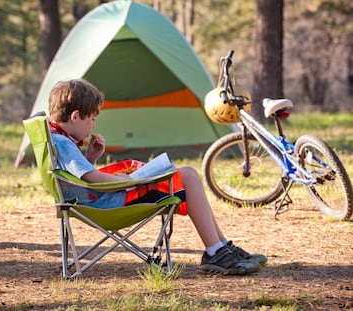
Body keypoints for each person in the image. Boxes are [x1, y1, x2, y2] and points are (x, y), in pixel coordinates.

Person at [48, 78, 267, 275]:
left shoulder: (57, 138)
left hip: (99, 201)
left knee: (186, 175)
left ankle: (221, 246)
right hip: (109, 203)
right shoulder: (64, 144)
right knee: (188, 176)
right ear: (75, 116)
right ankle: (216, 250)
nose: (93, 125)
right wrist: (132, 181)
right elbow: (93, 179)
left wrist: (90, 158)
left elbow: (80, 178)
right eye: (92, 119)